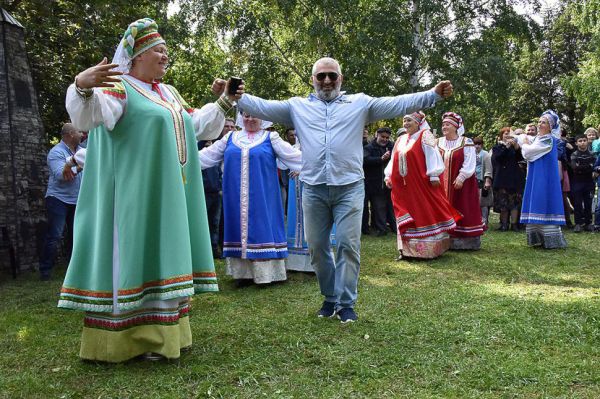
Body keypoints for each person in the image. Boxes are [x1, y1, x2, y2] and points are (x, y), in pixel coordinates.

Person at [58, 18, 241, 363]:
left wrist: (224, 101)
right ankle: (126, 341)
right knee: (135, 257)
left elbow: (196, 125)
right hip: (133, 198)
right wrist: (82, 85)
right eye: (159, 50)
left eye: (166, 51)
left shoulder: (167, 92)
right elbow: (87, 117)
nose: (165, 56)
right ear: (138, 55)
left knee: (163, 255)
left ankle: (162, 336)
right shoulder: (119, 88)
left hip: (170, 194)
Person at [237, 56, 453, 323]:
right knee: (317, 247)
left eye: (332, 75)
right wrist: (235, 96)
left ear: (341, 79)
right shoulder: (297, 107)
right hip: (314, 188)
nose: (327, 81)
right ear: (313, 80)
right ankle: (330, 297)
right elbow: (263, 107)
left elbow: (396, 102)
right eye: (321, 76)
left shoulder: (359, 103)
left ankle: (346, 303)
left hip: (349, 187)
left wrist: (431, 94)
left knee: (348, 245)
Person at [199, 112, 302, 286]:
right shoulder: (230, 137)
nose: (250, 119)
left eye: (254, 115)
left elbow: (295, 157)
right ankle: (243, 274)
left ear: (262, 117)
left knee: (263, 227)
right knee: (237, 227)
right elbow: (207, 156)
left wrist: (322, 163)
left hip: (264, 196)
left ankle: (267, 274)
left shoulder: (271, 137)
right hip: (235, 195)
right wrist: (180, 159)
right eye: (246, 115)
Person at [384, 112, 460, 259]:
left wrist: (433, 174)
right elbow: (393, 159)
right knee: (405, 214)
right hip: (402, 188)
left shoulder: (425, 135)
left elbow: (433, 155)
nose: (406, 124)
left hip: (421, 184)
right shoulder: (400, 139)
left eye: (409, 121)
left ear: (418, 122)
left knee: (423, 212)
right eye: (404, 121)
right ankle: (405, 250)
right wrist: (388, 175)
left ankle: (427, 251)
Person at [39, 123, 84, 281]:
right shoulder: (56, 152)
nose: (82, 134)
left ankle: (73, 270)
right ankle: (45, 271)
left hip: (76, 199)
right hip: (58, 199)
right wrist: (80, 165)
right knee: (55, 235)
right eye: (79, 131)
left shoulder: (79, 151)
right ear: (70, 134)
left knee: (75, 235)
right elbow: (62, 176)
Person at [518, 110, 567, 248]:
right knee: (537, 198)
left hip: (544, 176)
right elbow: (522, 140)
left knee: (542, 198)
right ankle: (538, 237)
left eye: (543, 122)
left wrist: (525, 144)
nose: (539, 124)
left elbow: (528, 152)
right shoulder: (539, 139)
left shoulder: (548, 139)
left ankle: (550, 239)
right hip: (537, 174)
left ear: (550, 126)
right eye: (539, 121)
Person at [437, 112, 486, 250]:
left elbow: (470, 162)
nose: (444, 127)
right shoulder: (438, 142)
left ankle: (464, 242)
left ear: (455, 127)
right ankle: (445, 238)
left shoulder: (466, 142)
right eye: (443, 124)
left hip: (461, 184)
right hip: (442, 183)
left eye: (447, 124)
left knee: (463, 207)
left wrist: (462, 177)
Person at [491, 127, 525, 231]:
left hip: (514, 178)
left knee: (514, 202)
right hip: (501, 178)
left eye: (509, 134)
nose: (507, 136)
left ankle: (514, 224)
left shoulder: (515, 147)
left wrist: (516, 148)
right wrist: (506, 146)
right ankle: (504, 224)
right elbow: (498, 158)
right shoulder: (497, 147)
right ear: (501, 136)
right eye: (505, 134)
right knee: (503, 203)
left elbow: (521, 158)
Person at [363, 127, 394, 236]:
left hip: (388, 182)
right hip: (373, 183)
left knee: (388, 206)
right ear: (377, 135)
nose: (385, 139)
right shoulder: (369, 147)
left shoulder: (391, 146)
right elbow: (364, 160)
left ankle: (390, 228)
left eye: (387, 137)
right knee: (375, 207)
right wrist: (380, 159)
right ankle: (377, 229)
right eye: (382, 137)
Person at [198, 139, 224, 257]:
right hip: (204, 194)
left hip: (216, 194)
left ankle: (214, 249)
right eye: (207, 143)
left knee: (215, 223)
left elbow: (219, 174)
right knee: (203, 222)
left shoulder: (214, 161)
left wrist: (220, 187)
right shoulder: (199, 158)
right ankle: (203, 251)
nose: (210, 146)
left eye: (211, 143)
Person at [570, 134, 596, 232]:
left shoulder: (592, 154)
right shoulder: (574, 154)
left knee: (588, 203)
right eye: (580, 141)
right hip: (577, 183)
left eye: (584, 140)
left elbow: (594, 167)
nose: (582, 142)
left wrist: (582, 167)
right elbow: (575, 168)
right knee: (577, 204)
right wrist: (588, 166)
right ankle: (578, 223)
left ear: (587, 141)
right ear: (576, 143)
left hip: (589, 183)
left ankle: (588, 223)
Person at [473, 136, 493, 227]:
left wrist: (487, 180)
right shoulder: (471, 154)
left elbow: (489, 168)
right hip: (473, 181)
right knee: (474, 202)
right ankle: (475, 220)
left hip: (483, 181)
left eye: (479, 144)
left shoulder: (485, 154)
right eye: (475, 144)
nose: (477, 146)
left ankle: (484, 221)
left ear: (482, 145)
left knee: (484, 202)